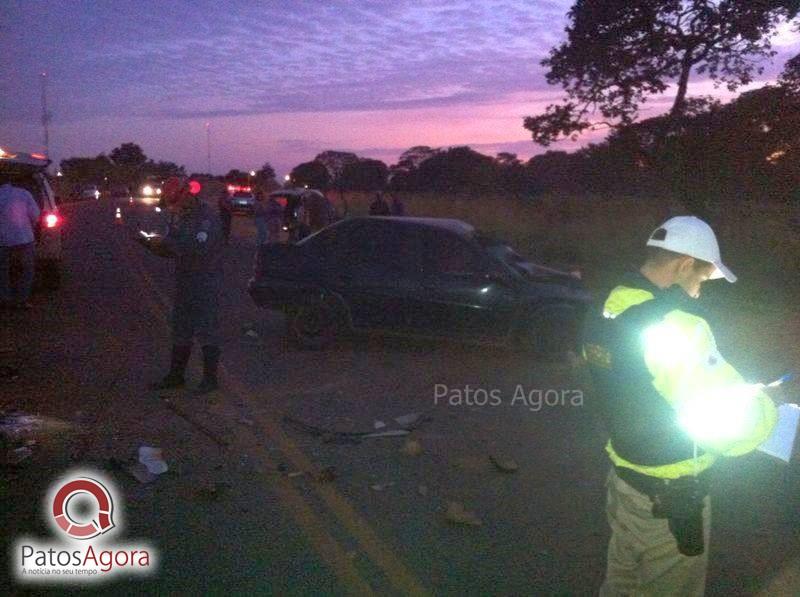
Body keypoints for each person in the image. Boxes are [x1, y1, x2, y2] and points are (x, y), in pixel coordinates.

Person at [582, 215, 778, 596]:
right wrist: (770, 412)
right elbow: (723, 424)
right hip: (670, 494)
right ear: (685, 265)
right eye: (701, 279)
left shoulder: (605, 306)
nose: (699, 292)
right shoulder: (678, 325)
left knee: (623, 581)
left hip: (623, 479)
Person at [139, 177, 223, 394]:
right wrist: (152, 245)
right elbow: (173, 247)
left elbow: (198, 247)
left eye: (174, 201)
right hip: (185, 279)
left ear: (186, 194)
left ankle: (210, 379)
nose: (172, 207)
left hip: (205, 279)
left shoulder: (207, 216)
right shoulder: (178, 215)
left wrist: (166, 243)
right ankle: (176, 376)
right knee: (181, 328)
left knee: (207, 329)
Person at [0, 174, 40, 309]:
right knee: (27, 270)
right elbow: (35, 215)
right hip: (25, 239)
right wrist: (31, 228)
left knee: (3, 272)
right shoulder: (24, 193)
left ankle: (5, 300)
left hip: (3, 241)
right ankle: (21, 300)